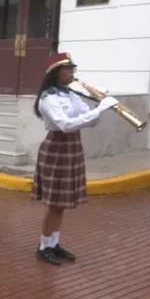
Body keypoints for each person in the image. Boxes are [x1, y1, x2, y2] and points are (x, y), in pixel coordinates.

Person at [31, 52, 119, 265]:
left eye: (73, 69)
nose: (72, 73)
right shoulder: (48, 98)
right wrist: (99, 109)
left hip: (72, 146)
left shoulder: (71, 94)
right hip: (56, 147)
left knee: (62, 203)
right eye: (67, 69)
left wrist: (99, 106)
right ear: (56, 73)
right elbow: (66, 125)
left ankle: (54, 243)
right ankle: (43, 247)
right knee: (54, 203)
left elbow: (90, 121)